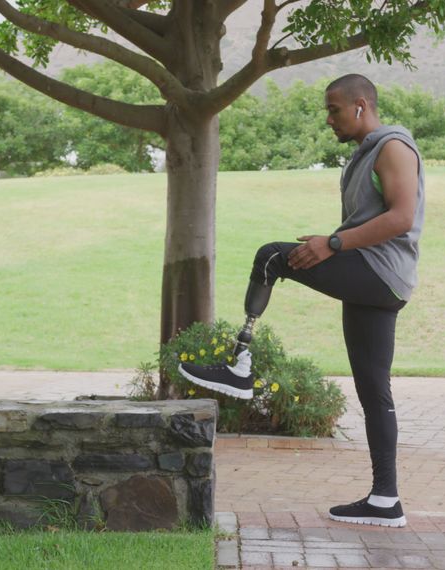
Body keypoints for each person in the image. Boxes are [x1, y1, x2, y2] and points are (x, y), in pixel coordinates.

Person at [179, 74, 424, 528]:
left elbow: (402, 216)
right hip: (375, 278)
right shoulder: (365, 154)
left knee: (272, 257)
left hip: (381, 272)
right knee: (374, 392)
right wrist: (338, 243)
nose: (328, 119)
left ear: (360, 105)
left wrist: (333, 242)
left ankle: (239, 364)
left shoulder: (393, 146)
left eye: (334, 110)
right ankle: (386, 499)